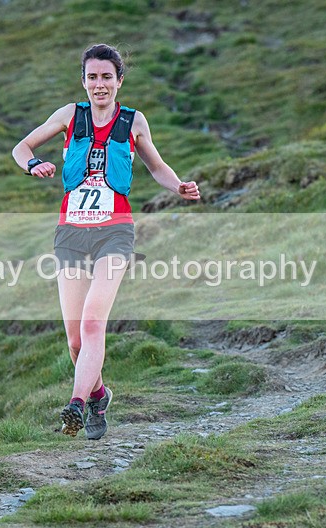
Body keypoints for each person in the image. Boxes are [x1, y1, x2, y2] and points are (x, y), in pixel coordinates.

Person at [12, 43, 200, 439]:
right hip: (71, 233)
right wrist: (33, 163)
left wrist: (179, 186)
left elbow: (156, 166)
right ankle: (98, 395)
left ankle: (76, 405)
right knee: (75, 341)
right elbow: (21, 147)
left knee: (94, 321)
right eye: (93, 77)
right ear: (84, 81)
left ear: (119, 81)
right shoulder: (69, 115)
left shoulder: (134, 121)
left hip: (115, 232)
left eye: (107, 77)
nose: (100, 84)